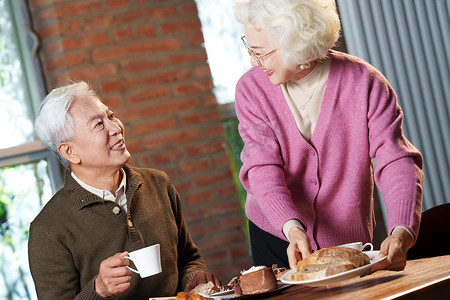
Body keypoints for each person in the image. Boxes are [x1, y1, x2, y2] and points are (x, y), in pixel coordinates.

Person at [232, 0, 424, 272]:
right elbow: (262, 169)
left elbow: (396, 159)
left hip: (347, 242)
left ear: (296, 44)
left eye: (261, 52)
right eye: (250, 48)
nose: (253, 60)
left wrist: (402, 229)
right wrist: (292, 227)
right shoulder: (251, 90)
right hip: (277, 235)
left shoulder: (364, 82)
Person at [28, 81, 221, 299]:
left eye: (110, 116)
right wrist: (98, 290)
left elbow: (188, 258)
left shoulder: (159, 184)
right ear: (70, 151)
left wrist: (194, 278)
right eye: (98, 125)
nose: (115, 127)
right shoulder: (48, 230)